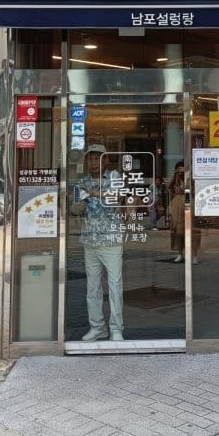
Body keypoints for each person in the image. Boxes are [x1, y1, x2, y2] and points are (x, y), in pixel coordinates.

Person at [72, 144, 125, 341]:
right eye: (91, 159)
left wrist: (93, 193)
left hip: (111, 239)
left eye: (98, 158)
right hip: (90, 240)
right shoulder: (82, 182)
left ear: (106, 160)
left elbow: (117, 197)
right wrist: (81, 200)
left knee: (115, 285)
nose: (94, 162)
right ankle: (97, 327)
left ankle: (116, 329)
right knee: (93, 287)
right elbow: (74, 210)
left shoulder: (114, 177)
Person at [167, 161, 200, 264]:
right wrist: (175, 176)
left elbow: (195, 189)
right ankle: (180, 253)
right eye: (179, 169)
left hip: (188, 203)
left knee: (191, 231)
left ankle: (194, 255)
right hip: (176, 205)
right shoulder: (175, 180)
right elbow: (168, 187)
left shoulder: (190, 179)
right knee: (177, 231)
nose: (180, 172)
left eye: (182, 169)